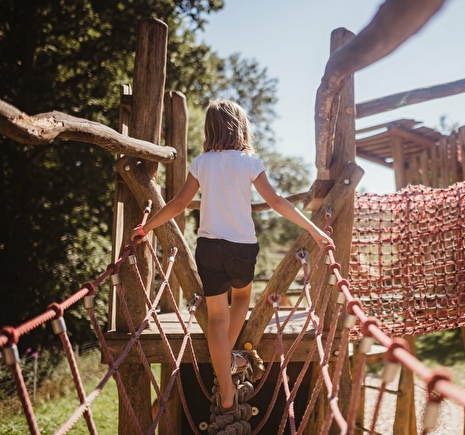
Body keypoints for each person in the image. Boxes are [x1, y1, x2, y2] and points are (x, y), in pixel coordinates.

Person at [130, 99, 333, 414]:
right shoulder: (250, 163)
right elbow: (277, 202)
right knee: (240, 300)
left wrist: (146, 228)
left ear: (210, 129)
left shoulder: (202, 163)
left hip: (209, 248)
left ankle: (225, 388)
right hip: (242, 247)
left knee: (216, 318)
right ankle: (226, 360)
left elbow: (179, 203)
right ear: (241, 128)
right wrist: (315, 230)